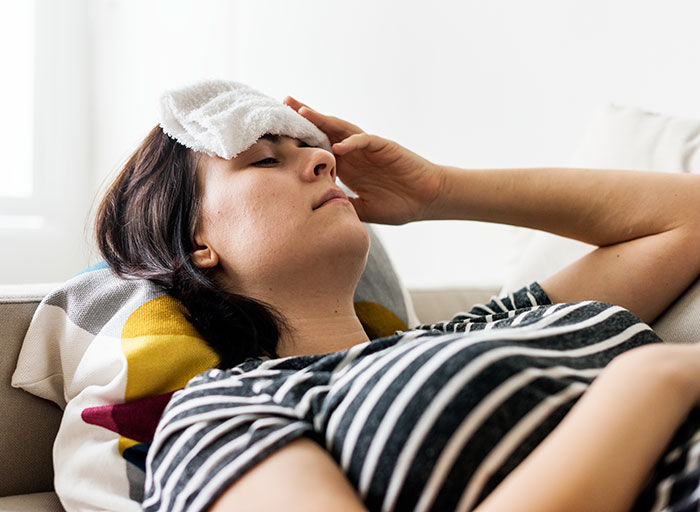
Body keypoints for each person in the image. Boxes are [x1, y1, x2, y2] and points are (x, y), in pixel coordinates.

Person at [96, 83, 700, 512]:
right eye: (264, 159)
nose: (322, 158)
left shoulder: (478, 329)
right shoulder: (222, 411)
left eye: (311, 149)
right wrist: (651, 384)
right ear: (197, 238)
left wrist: (440, 191)